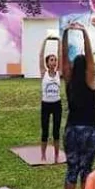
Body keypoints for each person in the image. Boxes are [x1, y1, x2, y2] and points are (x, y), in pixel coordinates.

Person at [61, 23, 95, 189]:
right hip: (89, 130)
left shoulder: (69, 81)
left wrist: (66, 33)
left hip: (71, 130)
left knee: (71, 168)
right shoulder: (90, 79)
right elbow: (91, 59)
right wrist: (84, 33)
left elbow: (64, 59)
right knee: (86, 170)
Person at [39, 35, 63, 163]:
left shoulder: (59, 73)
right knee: (45, 131)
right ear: (47, 63)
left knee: (56, 131)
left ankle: (56, 155)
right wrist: (45, 41)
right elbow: (40, 55)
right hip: (46, 104)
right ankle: (43, 155)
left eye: (55, 60)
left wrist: (59, 42)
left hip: (57, 104)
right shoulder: (44, 73)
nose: (54, 62)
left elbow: (61, 54)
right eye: (51, 60)